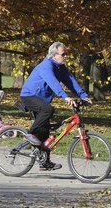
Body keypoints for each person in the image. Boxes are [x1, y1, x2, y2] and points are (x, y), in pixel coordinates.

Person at [20, 42, 91, 171]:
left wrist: (83, 95)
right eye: (63, 54)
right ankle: (30, 134)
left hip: (42, 99)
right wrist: (65, 97)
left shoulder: (61, 68)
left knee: (45, 131)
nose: (66, 57)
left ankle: (44, 163)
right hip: (29, 96)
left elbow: (70, 81)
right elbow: (53, 83)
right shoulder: (46, 66)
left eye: (66, 54)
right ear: (54, 55)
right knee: (48, 110)